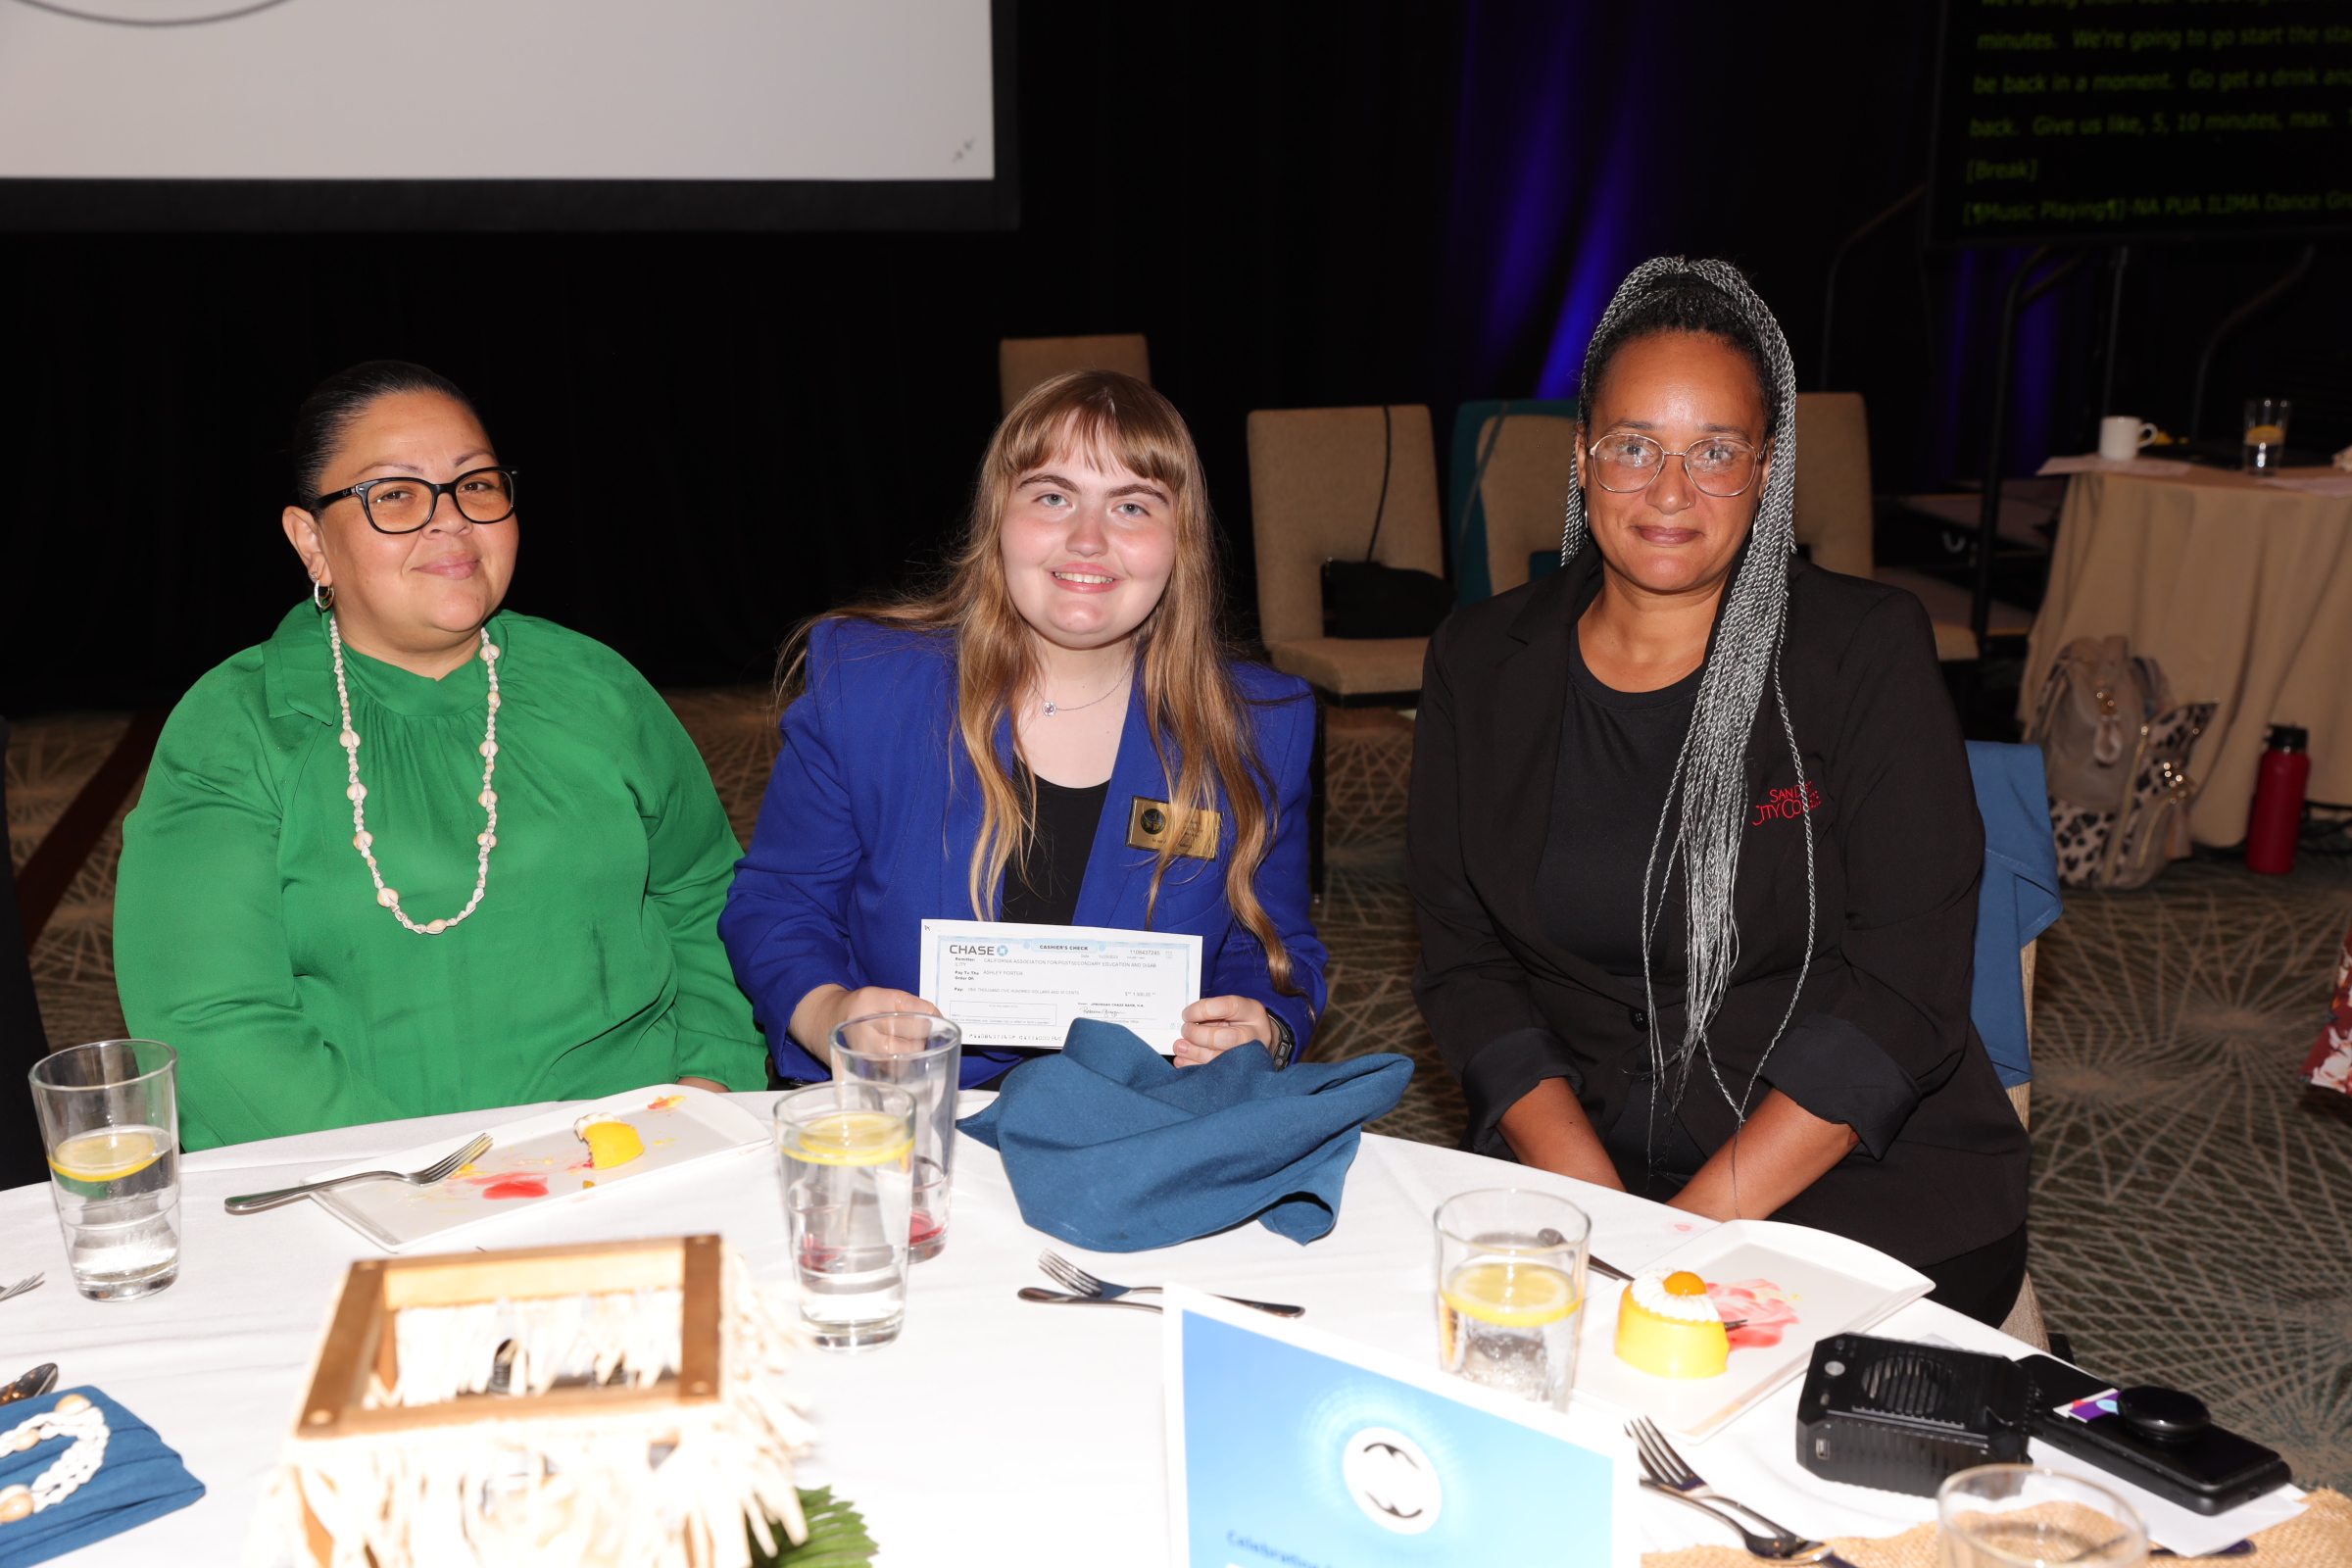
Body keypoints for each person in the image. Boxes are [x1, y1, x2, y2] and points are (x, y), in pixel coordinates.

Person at [1409, 259, 2031, 1324]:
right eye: (1634, 447)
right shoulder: (1482, 658)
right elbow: (1467, 967)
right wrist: (1597, 1214)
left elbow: (1905, 996)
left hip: (1855, 1182)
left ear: (1768, 468)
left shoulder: (1860, 652)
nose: (1668, 491)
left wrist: (1681, 1243)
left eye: (1715, 453)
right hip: (1585, 1169)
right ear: (1582, 456)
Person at [116, 362, 766, 1151]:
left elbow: (703, 897)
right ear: (311, 540)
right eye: (393, 495)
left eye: (477, 485)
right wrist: (435, 1176)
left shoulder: (597, 687)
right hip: (361, 1182)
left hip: (637, 1152)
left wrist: (706, 1084)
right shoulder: (236, 724)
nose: (451, 521)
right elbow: (209, 1017)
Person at [723, 370, 1326, 1087]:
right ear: (998, 519)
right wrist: (829, 1014)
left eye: (1133, 506)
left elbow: (1274, 950)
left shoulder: (1259, 727)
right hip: (904, 1110)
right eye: (1052, 496)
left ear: (1181, 541)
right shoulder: (868, 682)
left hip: (1130, 1125)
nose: (1088, 540)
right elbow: (780, 903)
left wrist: (1263, 1023)